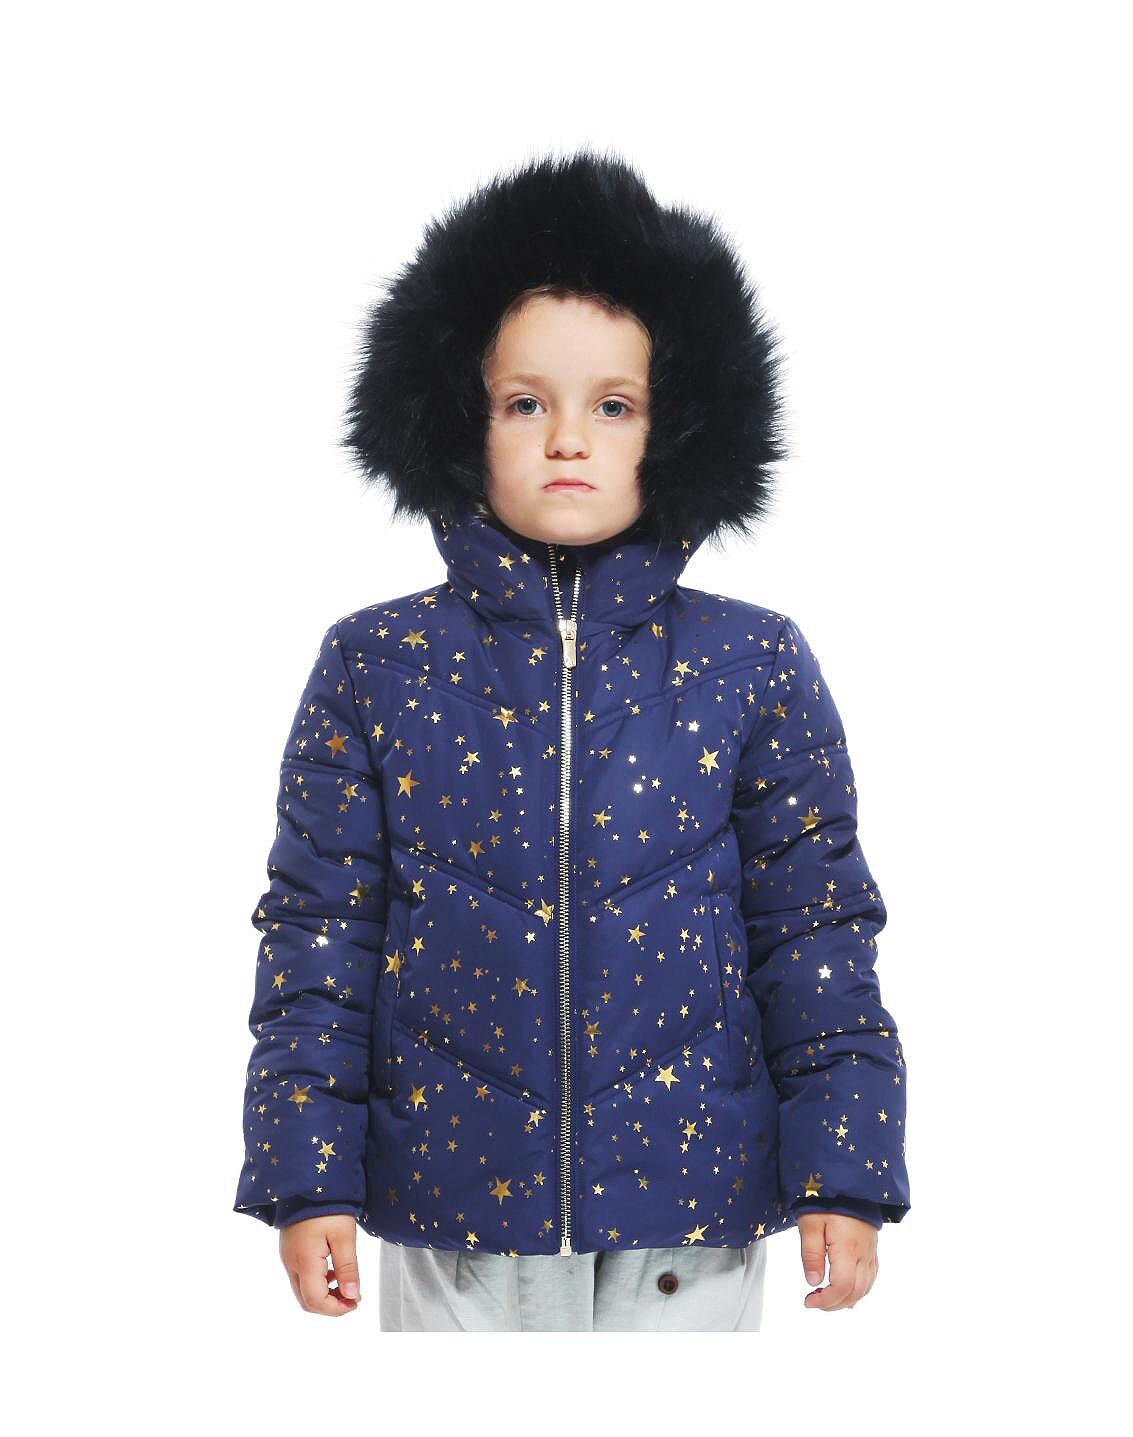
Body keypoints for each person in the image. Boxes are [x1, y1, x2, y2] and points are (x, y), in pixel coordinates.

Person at [232, 148, 911, 1331]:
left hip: (685, 1223)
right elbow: (319, 934)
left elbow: (815, 930)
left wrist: (842, 1170)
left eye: (613, 405)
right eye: (524, 403)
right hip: (457, 1222)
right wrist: (309, 1177)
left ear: (682, 424)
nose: (567, 440)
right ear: (458, 418)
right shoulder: (375, 667)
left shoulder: (752, 664)